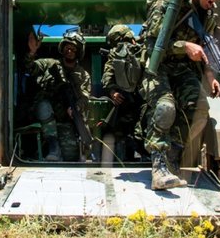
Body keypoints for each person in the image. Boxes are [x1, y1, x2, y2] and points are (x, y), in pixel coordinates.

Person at [140, 0, 220, 190]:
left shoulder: (207, 14)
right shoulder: (166, 4)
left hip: (182, 68)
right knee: (165, 107)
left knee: (198, 108)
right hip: (156, 65)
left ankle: (171, 160)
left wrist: (210, 76)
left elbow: (205, 47)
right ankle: (158, 168)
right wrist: (184, 46)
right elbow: (151, 46)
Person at [24, 28, 91, 161]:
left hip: (66, 118)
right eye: (67, 47)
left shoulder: (83, 75)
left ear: (78, 52)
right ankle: (53, 146)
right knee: (43, 105)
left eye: (73, 48)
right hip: (44, 115)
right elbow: (31, 68)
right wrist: (32, 52)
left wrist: (76, 107)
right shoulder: (50, 64)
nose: (69, 50)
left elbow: (84, 96)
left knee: (71, 156)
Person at [100, 24, 146, 163]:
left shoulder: (142, 51)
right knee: (123, 133)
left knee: (140, 133)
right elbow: (107, 78)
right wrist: (113, 91)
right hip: (127, 102)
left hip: (142, 101)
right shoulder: (116, 54)